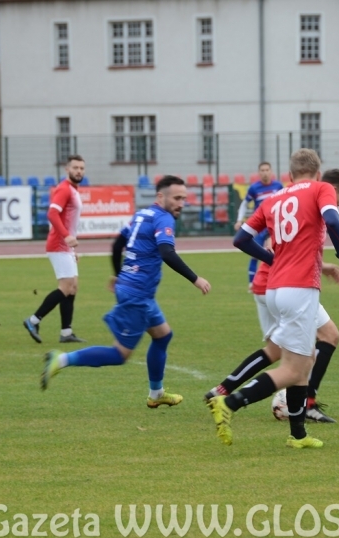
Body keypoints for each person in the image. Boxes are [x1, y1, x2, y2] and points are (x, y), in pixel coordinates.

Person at [208, 149, 339, 448]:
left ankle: (297, 435)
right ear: (317, 173)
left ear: (288, 175)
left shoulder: (274, 198)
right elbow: (333, 222)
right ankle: (231, 402)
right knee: (293, 369)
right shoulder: (321, 188)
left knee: (297, 360)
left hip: (275, 289)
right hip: (300, 290)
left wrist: (271, 259)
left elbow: (240, 240)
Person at [40, 176, 212, 408]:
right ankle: (61, 359)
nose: (181, 203)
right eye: (177, 198)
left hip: (135, 290)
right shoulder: (163, 218)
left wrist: (118, 274)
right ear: (161, 197)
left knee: (163, 335)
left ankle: (156, 393)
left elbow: (117, 244)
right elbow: (167, 252)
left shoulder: (142, 214)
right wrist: (195, 278)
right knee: (120, 354)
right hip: (137, 294)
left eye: (184, 198)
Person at [23, 154, 87, 344]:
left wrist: (72, 249)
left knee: (73, 287)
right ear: (67, 169)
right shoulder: (64, 189)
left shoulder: (73, 190)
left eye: (82, 168)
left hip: (66, 247)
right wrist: (67, 236)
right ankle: (33, 320)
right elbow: (52, 213)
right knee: (66, 287)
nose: (79, 171)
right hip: (59, 245)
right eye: (75, 168)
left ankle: (66, 333)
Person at [233, 162, 284, 286]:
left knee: (278, 254)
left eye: (267, 170)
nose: (265, 172)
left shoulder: (278, 186)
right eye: (262, 170)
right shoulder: (254, 188)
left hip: (274, 227)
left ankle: (277, 281)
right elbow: (245, 204)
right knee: (255, 254)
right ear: (259, 172)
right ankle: (252, 284)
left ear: (271, 172)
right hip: (260, 228)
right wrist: (240, 220)